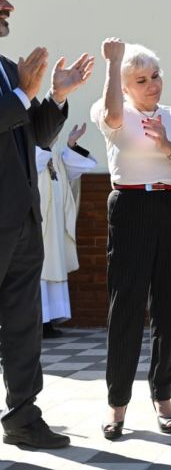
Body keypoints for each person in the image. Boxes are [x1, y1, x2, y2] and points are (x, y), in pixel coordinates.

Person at [92, 38, 171, 440]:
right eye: (140, 79)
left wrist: (166, 146)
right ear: (124, 86)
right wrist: (114, 62)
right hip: (130, 208)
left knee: (167, 307)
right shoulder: (111, 109)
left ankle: (163, 395)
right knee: (126, 308)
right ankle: (117, 403)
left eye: (155, 75)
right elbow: (114, 118)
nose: (152, 84)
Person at [0, 0, 94, 449]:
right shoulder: (13, 78)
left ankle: (22, 417)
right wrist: (23, 91)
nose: (8, 7)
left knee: (22, 323)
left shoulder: (5, 68)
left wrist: (55, 96)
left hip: (19, 221)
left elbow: (33, 135)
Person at [36, 123, 97, 338]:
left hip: (54, 227)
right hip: (36, 228)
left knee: (52, 268)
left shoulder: (55, 153)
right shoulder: (28, 152)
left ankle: (47, 322)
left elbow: (76, 169)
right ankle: (35, 322)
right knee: (37, 272)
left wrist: (71, 144)